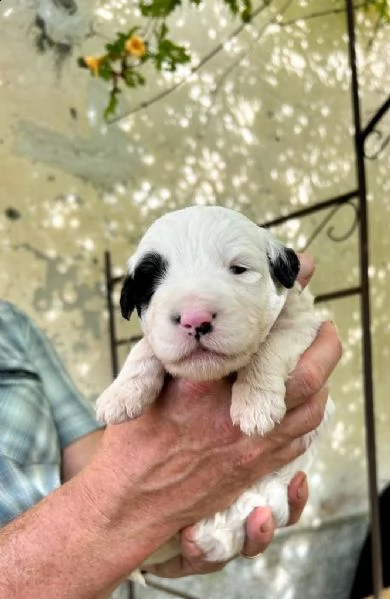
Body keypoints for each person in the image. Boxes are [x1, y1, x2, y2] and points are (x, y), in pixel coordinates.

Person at [0, 255, 341, 598]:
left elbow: (92, 461)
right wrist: (130, 503)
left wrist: (168, 525)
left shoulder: (11, 325)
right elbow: (114, 488)